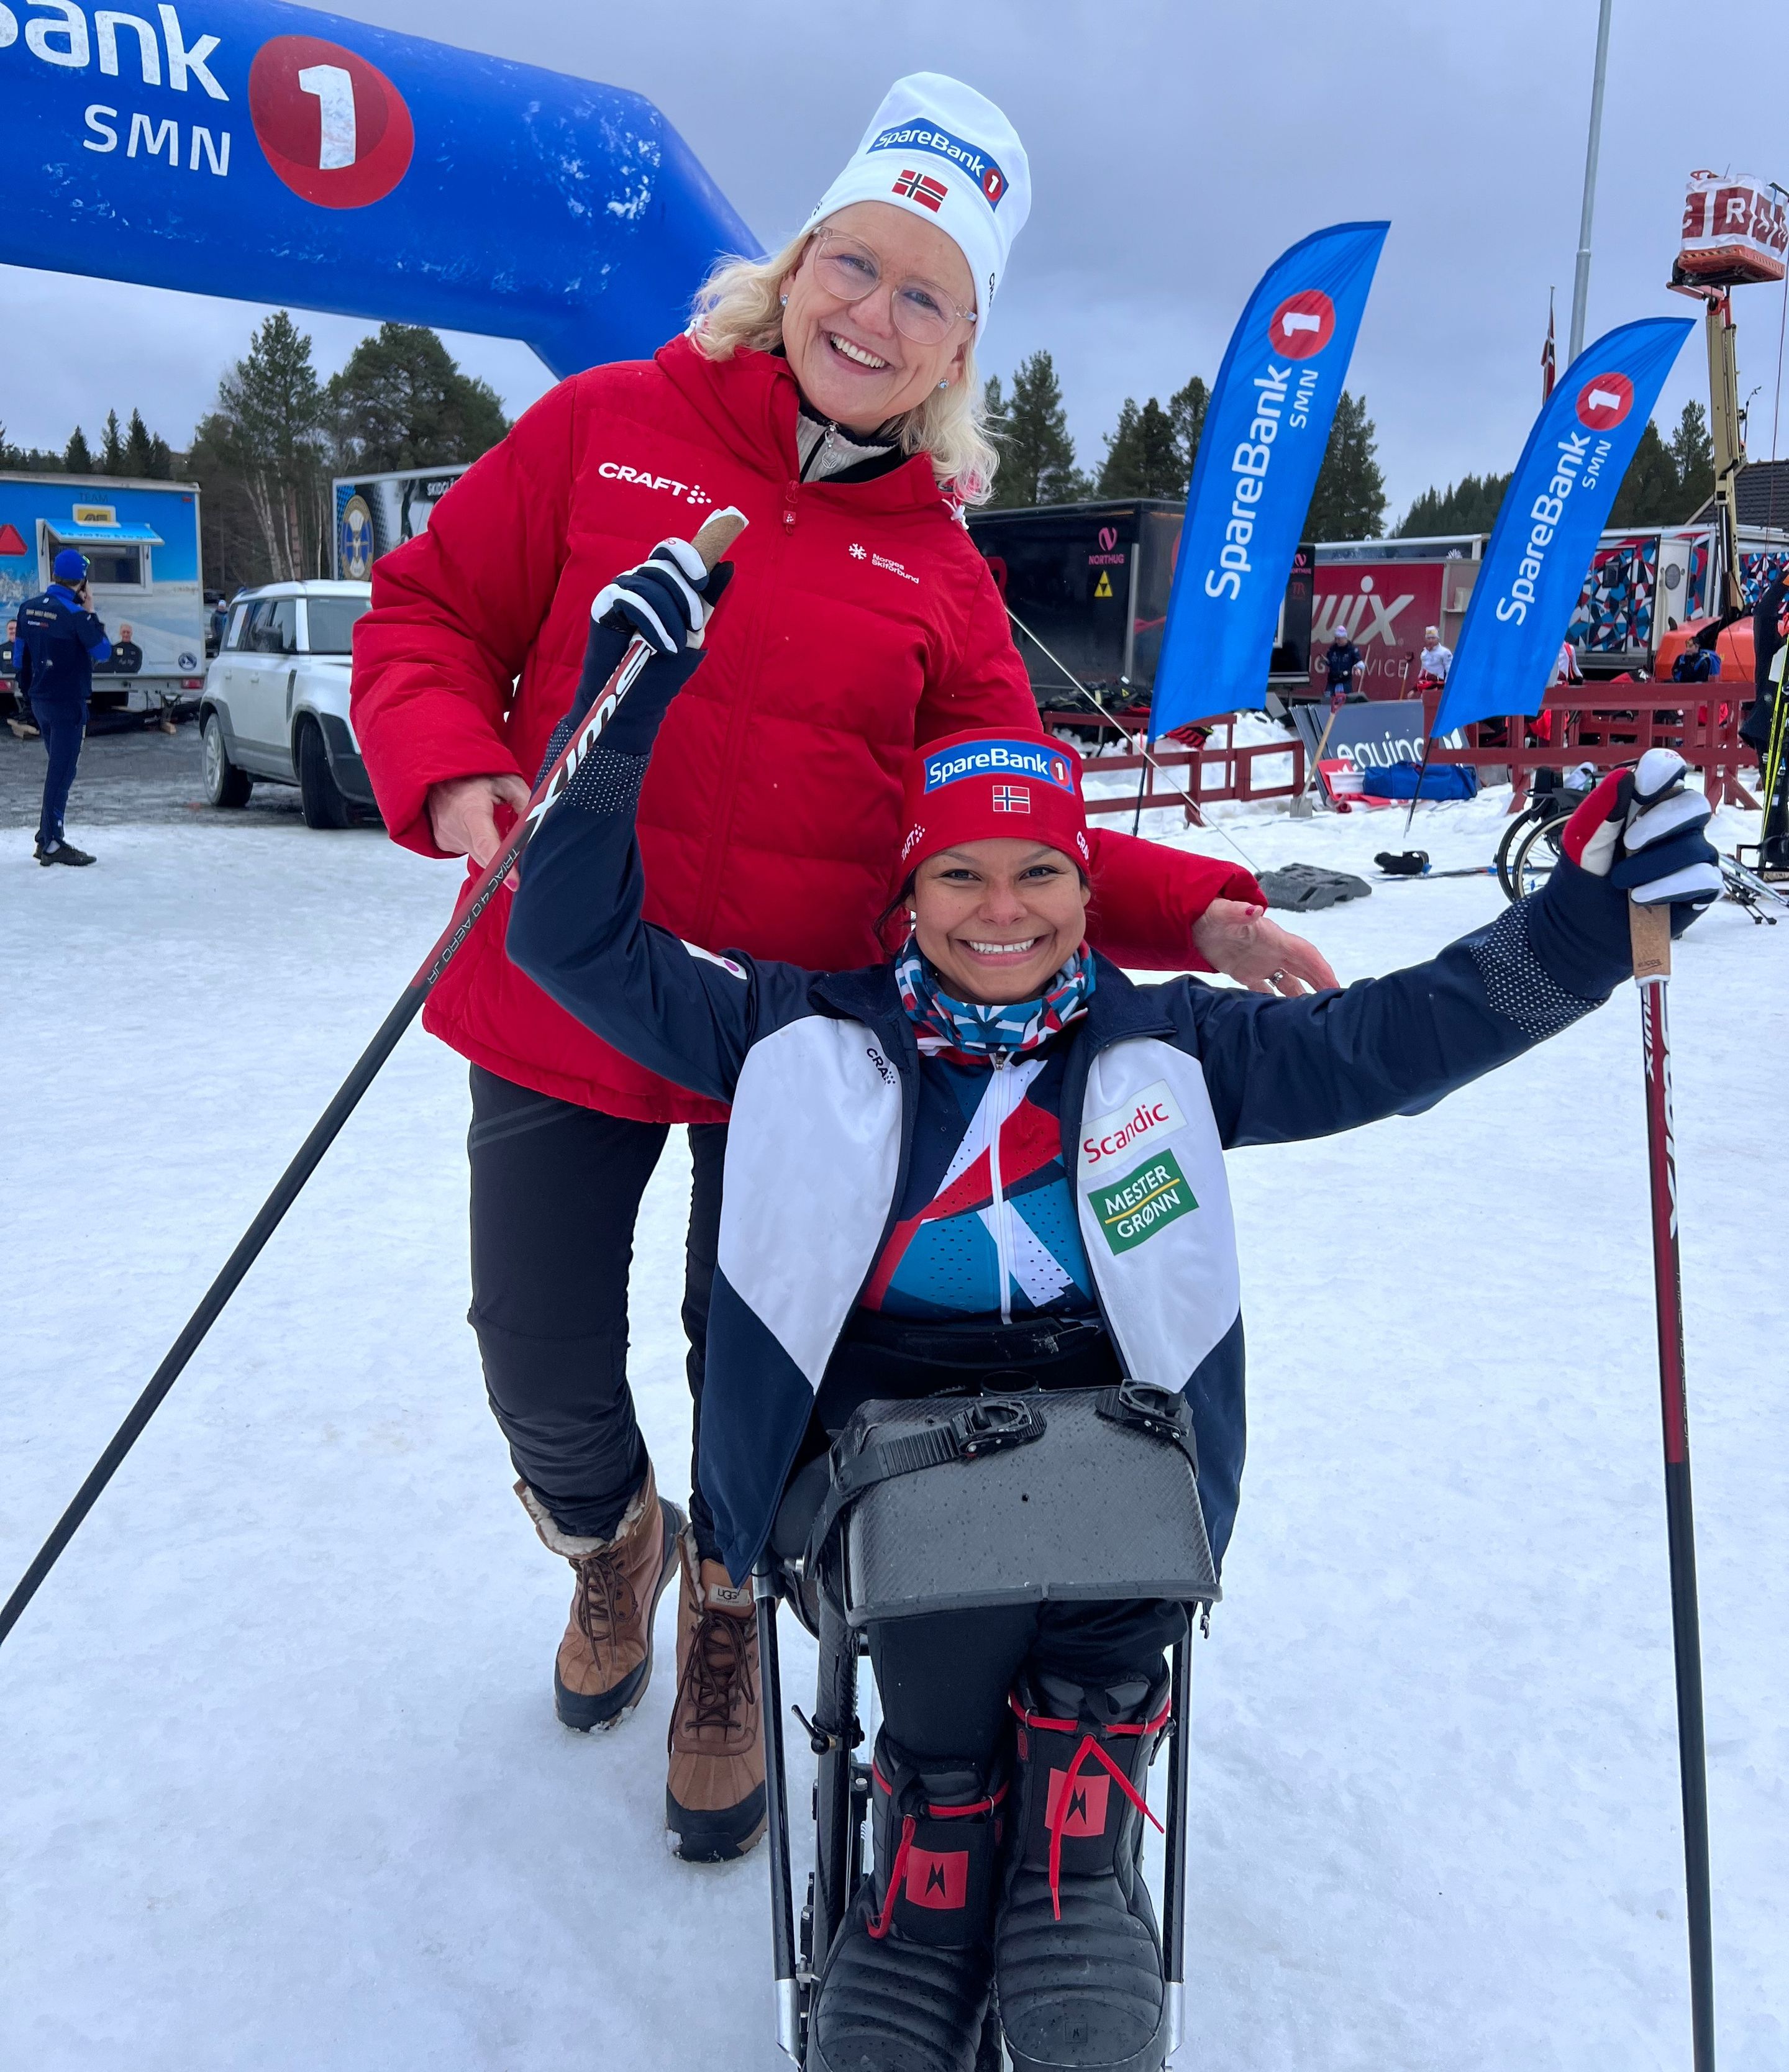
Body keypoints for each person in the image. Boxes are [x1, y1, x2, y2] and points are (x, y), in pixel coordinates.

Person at [502, 541, 1723, 2072]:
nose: (999, 910)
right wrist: (621, 712)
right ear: (908, 886)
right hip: (872, 1463)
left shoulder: (1163, 1047)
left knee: (1106, 1555)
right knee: (949, 1576)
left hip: (1124, 1445)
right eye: (959, 871)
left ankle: (1075, 1831)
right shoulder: (798, 1032)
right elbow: (564, 940)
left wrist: (1579, 928)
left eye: (1039, 873)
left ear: (1086, 891)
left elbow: (1379, 1044)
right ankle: (935, 1836)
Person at [348, 71, 1337, 1866]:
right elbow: (424, 612)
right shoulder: (605, 427)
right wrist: (453, 768)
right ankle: (608, 1544)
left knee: (767, 1353)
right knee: (539, 1362)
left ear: (963, 341)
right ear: (798, 260)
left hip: (798, 1037)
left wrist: (1188, 906)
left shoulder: (943, 575)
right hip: (569, 986)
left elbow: (1007, 835)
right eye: (855, 266)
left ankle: (726, 1602)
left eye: (926, 295)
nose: (873, 317)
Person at [11, 548, 110, 865]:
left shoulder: (27, 609)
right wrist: (91, 612)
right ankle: (52, 842)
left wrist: (29, 690)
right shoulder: (76, 615)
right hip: (68, 703)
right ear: (81, 582)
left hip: (40, 702)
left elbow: (18, 659)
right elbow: (104, 651)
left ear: (55, 575)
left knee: (58, 769)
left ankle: (46, 837)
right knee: (62, 773)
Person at [1322, 622, 1364, 707]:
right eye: (1336, 639)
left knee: (1346, 704)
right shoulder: (1333, 649)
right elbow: (1330, 662)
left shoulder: (1352, 649)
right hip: (1332, 681)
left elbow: (1360, 663)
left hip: (1345, 681)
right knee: (1326, 703)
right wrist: (1324, 661)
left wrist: (1358, 668)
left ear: (1344, 638)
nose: (1337, 641)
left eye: (1339, 639)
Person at [1415, 623, 1452, 690]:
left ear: (1437, 639)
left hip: (1441, 687)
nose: (1431, 640)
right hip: (1427, 687)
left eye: (1433, 638)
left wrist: (1447, 686)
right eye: (1429, 638)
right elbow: (1422, 671)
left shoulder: (1445, 652)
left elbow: (1449, 670)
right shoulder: (1424, 653)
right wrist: (1416, 688)